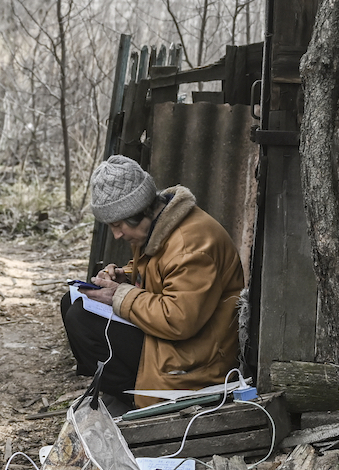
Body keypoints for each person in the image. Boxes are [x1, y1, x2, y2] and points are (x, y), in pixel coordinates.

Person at [60, 155, 245, 410]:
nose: (117, 235)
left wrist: (120, 295)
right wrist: (124, 276)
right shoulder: (161, 226)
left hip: (197, 360)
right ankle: (120, 391)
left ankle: (133, 399)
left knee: (82, 319)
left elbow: (179, 319)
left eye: (118, 224)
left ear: (141, 211)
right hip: (175, 340)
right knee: (71, 302)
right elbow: (161, 271)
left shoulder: (191, 244)